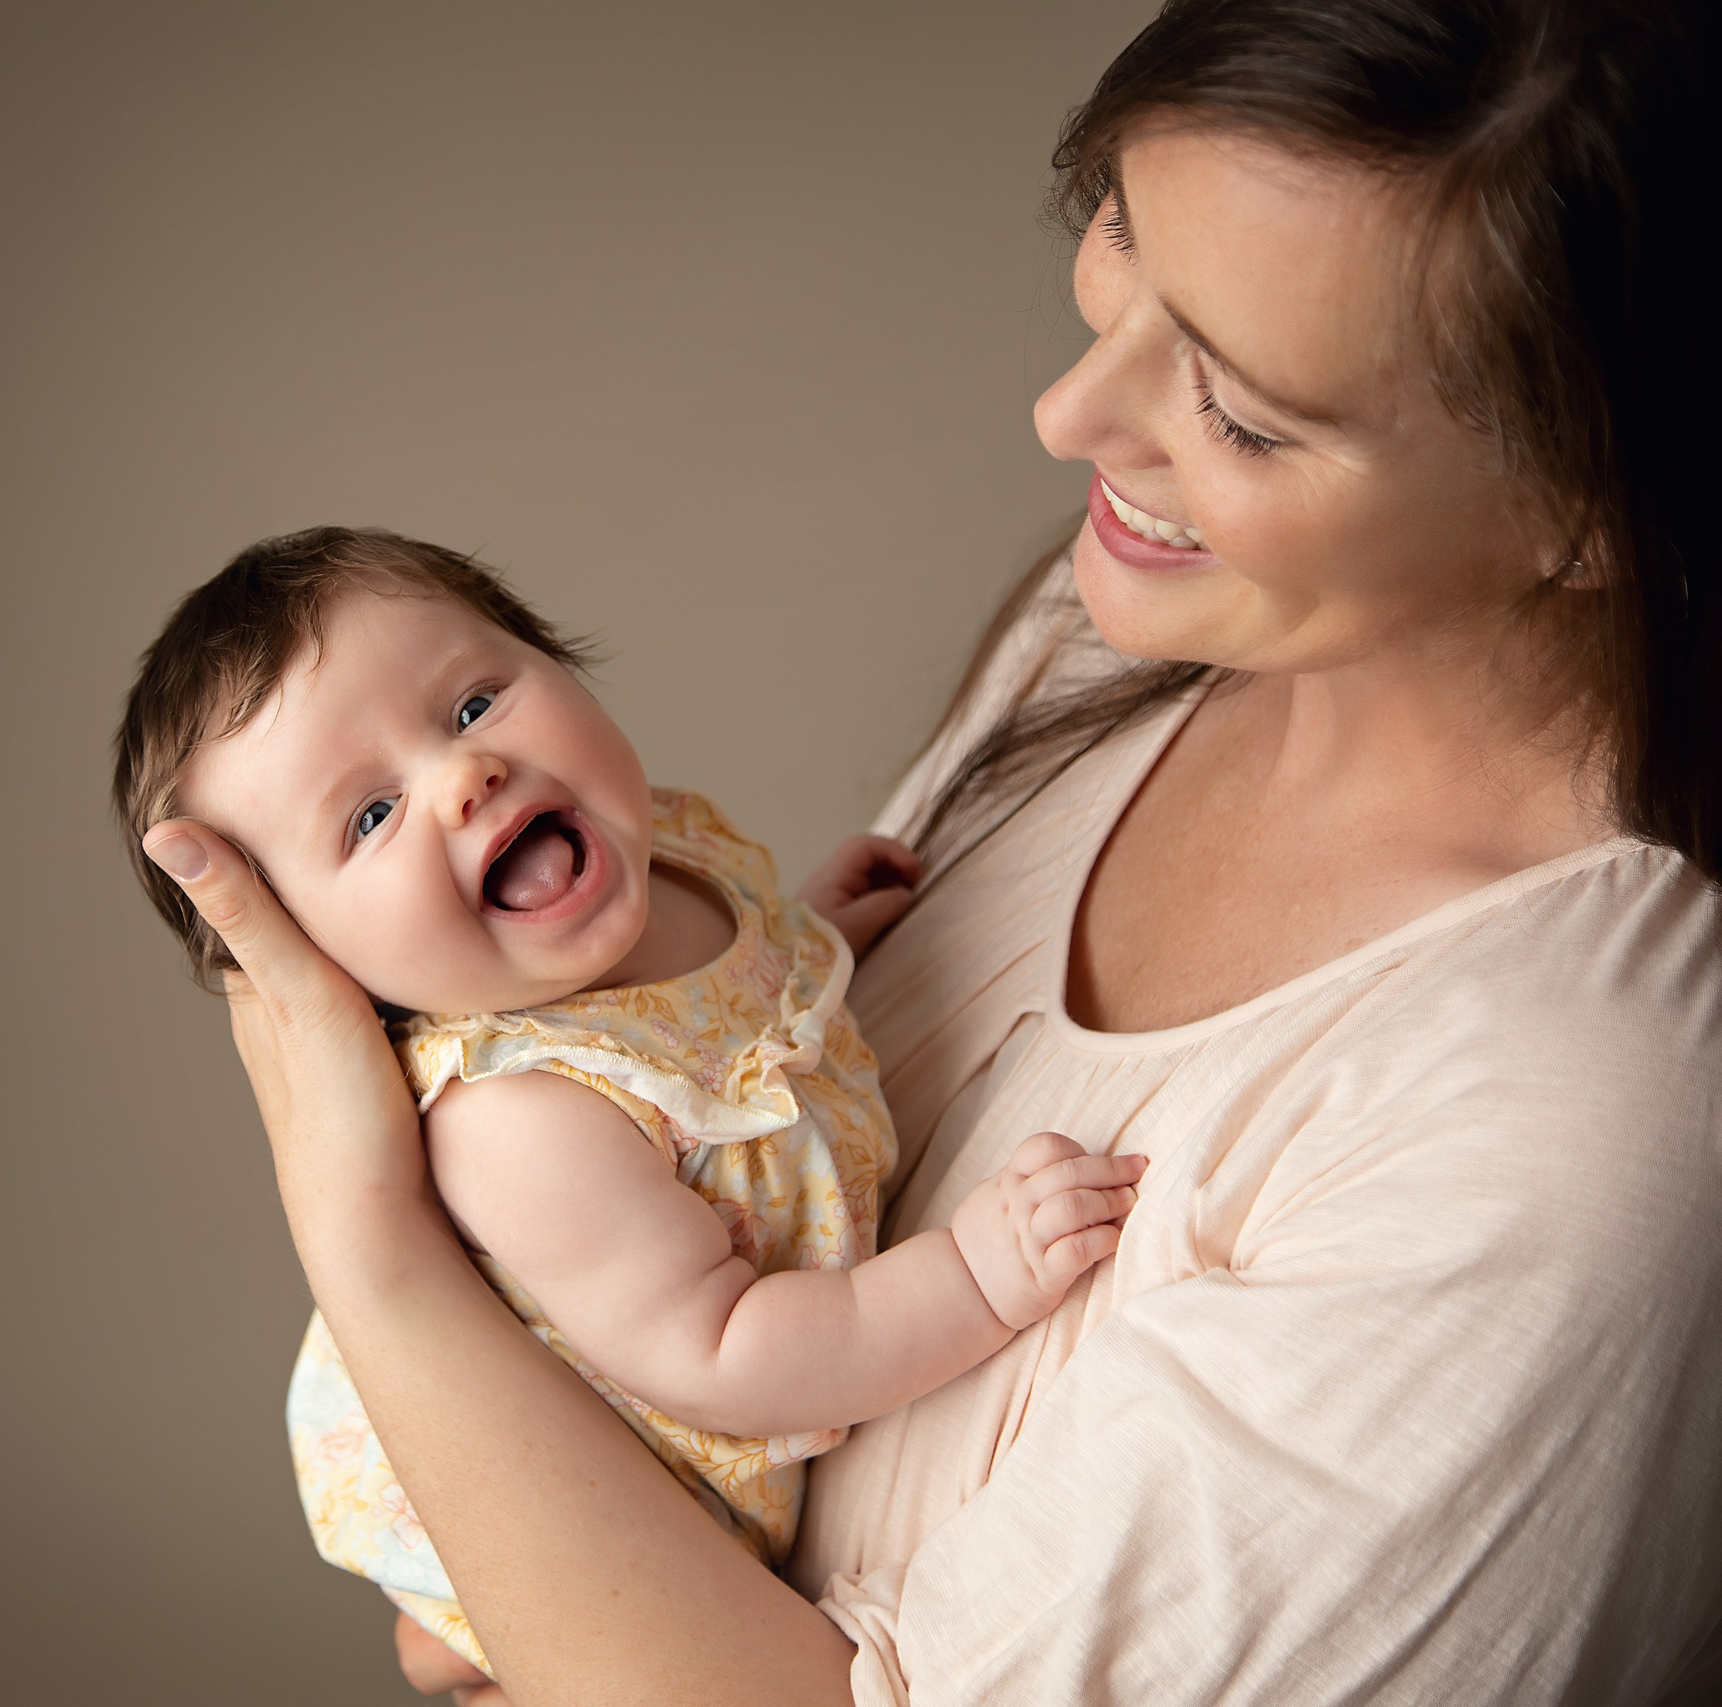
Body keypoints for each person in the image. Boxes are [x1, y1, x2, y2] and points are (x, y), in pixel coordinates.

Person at [140, 0, 1722, 1699]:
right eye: (1118, 228)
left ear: (1593, 504)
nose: (1066, 416)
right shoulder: (1115, 625)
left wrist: (372, 1250)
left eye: (1246, 413)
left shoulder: (1552, 1134)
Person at [110, 527, 1146, 1674]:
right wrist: (975, 1277)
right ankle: (457, 1635)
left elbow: (725, 1037)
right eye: (368, 817)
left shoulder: (671, 852)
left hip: (669, 1349)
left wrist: (808, 932)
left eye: (469, 706)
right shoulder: (525, 1120)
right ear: (323, 966)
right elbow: (725, 1351)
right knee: (483, 1633)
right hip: (614, 1481)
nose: (465, 778)